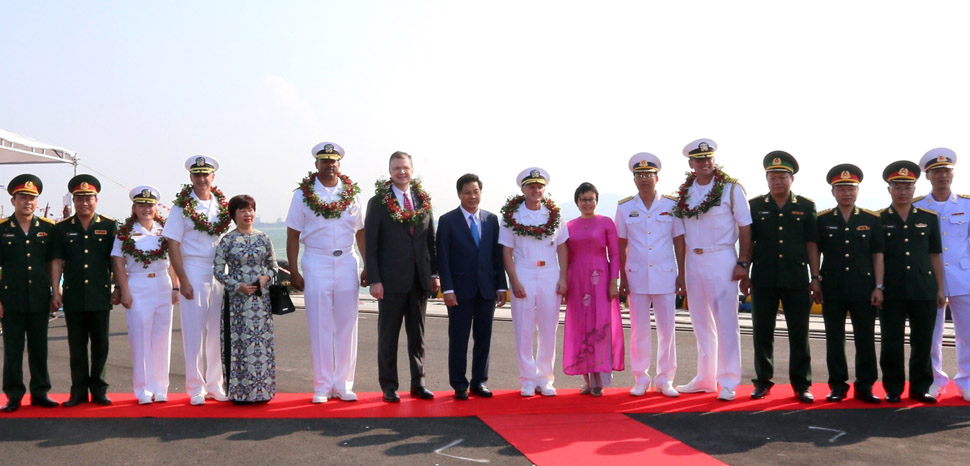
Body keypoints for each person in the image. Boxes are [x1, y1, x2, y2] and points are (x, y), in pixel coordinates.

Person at [673, 139, 752, 401]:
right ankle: (705, 378)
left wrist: (743, 261)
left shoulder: (730, 189)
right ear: (691, 164)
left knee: (727, 322)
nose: (705, 163)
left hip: (722, 258)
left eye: (709, 158)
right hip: (694, 260)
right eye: (699, 159)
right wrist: (681, 271)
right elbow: (681, 235)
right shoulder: (685, 192)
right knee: (700, 321)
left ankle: (728, 380)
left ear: (714, 160)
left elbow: (745, 226)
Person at [286, 141, 365, 404]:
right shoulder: (302, 195)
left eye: (334, 161)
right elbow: (293, 233)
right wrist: (294, 270)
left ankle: (343, 384)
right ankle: (322, 385)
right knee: (320, 324)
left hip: (346, 259)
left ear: (339, 164)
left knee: (347, 323)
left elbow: (361, 231)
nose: (330, 165)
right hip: (316, 260)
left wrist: (368, 266)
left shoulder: (351, 193)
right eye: (324, 161)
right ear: (316, 164)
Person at [741, 151, 820, 403]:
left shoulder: (806, 207)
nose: (777, 181)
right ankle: (762, 382)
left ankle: (801, 384)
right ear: (766, 180)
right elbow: (749, 242)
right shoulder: (755, 206)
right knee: (762, 332)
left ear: (792, 179)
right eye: (772, 177)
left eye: (782, 177)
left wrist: (815, 276)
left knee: (800, 334)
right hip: (763, 278)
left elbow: (811, 244)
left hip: (796, 278)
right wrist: (745, 271)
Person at [365, 151, 439, 403]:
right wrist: (375, 279)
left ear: (412, 169)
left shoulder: (423, 200)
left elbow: (432, 242)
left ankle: (418, 383)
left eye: (405, 168)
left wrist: (435, 274)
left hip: (419, 280)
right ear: (390, 171)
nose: (401, 172)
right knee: (389, 336)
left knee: (417, 336)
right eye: (396, 168)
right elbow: (371, 245)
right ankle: (389, 385)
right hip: (390, 281)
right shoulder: (378, 203)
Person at [162, 155, 232, 406]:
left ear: (213, 177)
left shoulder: (222, 205)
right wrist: (182, 279)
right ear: (191, 178)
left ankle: (215, 384)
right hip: (192, 268)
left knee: (216, 332)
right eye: (197, 175)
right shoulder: (182, 207)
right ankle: (195, 387)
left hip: (218, 272)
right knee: (193, 332)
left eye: (206, 175)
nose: (202, 179)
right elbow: (173, 243)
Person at [616, 153, 685, 398]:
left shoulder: (671, 205)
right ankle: (640, 377)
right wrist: (622, 277)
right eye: (639, 175)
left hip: (666, 275)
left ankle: (665, 379)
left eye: (648, 175)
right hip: (636, 276)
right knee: (639, 330)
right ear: (634, 179)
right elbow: (621, 243)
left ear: (657, 177)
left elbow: (679, 241)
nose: (644, 179)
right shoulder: (625, 206)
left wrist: (682, 274)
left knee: (667, 330)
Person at [813, 164, 884, 403]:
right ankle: (838, 386)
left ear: (858, 191)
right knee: (835, 339)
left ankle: (865, 386)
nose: (846, 193)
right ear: (833, 192)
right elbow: (814, 251)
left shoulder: (871, 219)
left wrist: (879, 286)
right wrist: (815, 280)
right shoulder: (822, 220)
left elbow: (877, 255)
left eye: (851, 188)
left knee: (865, 339)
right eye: (841, 189)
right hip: (832, 287)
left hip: (864, 288)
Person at [436, 173, 507, 400]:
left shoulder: (491, 219)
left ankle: (479, 382)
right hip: (459, 291)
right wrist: (447, 289)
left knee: (483, 338)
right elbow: (443, 258)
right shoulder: (448, 221)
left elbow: (497, 257)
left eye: (476, 191)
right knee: (459, 338)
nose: (472, 196)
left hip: (486, 290)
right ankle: (459, 384)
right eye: (467, 192)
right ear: (459, 194)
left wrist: (501, 287)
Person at [879, 160, 945, 403]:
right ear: (889, 190)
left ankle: (920, 387)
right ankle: (893, 388)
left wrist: (940, 288)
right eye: (897, 186)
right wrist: (878, 288)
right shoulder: (879, 219)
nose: (903, 191)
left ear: (914, 189)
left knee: (923, 341)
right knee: (891, 341)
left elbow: (934, 255)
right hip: (892, 289)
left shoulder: (928, 218)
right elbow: (878, 257)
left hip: (923, 288)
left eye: (908, 187)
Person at [500, 167, 569, 397]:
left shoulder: (555, 214)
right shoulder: (512, 216)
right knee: (524, 328)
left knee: (549, 328)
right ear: (523, 189)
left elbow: (562, 247)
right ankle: (527, 379)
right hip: (524, 271)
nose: (536, 190)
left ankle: (545, 378)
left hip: (550, 272)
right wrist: (514, 280)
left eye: (540, 186)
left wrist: (563, 277)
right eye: (531, 186)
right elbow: (507, 251)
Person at [51, 174, 117, 407]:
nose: (84, 203)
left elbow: (115, 260)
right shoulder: (62, 228)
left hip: (100, 294)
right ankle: (78, 391)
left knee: (101, 345)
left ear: (96, 200)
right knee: (76, 346)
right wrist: (55, 291)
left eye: (88, 198)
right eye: (79, 199)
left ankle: (99, 389)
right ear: (73, 201)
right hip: (74, 294)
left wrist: (118, 287)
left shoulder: (109, 226)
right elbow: (57, 261)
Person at [111, 186, 179, 404]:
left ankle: (160, 387)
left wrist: (175, 288)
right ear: (134, 208)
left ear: (155, 207)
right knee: (140, 338)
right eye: (141, 205)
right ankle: (142, 389)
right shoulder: (124, 232)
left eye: (149, 205)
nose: (146, 209)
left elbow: (174, 261)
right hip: (138, 284)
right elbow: (118, 264)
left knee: (162, 338)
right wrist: (125, 292)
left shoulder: (165, 230)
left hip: (162, 284)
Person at [914, 148, 970, 402]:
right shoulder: (917, 207)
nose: (942, 176)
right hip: (928, 279)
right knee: (930, 333)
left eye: (946, 171)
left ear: (952, 174)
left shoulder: (967, 205)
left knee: (967, 333)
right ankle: (934, 379)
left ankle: (966, 380)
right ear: (928, 176)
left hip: (963, 277)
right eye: (936, 172)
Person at [0, 175, 58, 412]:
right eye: (23, 197)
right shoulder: (3, 229)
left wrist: (56, 292)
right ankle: (14, 395)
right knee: (12, 349)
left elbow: (53, 262)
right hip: (10, 299)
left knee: (39, 347)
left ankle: (40, 393)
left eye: (32, 198)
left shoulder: (47, 228)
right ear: (13, 200)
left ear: (37, 201)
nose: (27, 202)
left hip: (38, 296)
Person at [214, 195, 278, 403]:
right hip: (237, 303)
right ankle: (240, 392)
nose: (247, 214)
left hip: (261, 302)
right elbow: (217, 270)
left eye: (250, 209)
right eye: (242, 210)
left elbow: (273, 266)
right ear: (234, 215)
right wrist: (237, 286)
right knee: (239, 345)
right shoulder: (228, 240)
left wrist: (266, 277)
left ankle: (263, 391)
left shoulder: (264, 238)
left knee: (262, 344)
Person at [564, 182, 624, 396]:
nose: (587, 203)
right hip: (577, 279)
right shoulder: (569, 226)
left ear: (596, 201)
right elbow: (565, 256)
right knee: (581, 326)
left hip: (601, 278)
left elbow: (615, 254)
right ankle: (587, 379)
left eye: (590, 199)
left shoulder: (606, 223)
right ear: (577, 202)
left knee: (600, 325)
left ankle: (599, 379)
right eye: (583, 199)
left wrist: (613, 281)